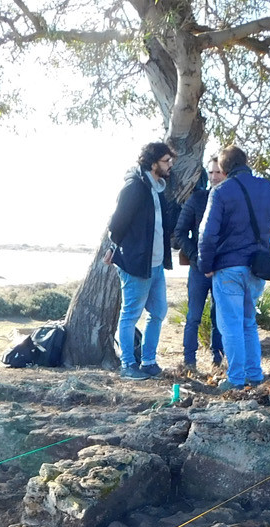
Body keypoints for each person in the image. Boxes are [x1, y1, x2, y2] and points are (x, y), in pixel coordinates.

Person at [197, 144, 270, 389]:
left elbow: (207, 235)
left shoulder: (221, 192)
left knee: (230, 324)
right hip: (257, 268)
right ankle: (254, 376)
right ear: (246, 162)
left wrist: (206, 265)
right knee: (248, 322)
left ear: (223, 167)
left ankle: (235, 378)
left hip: (228, 268)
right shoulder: (269, 189)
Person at [106, 141, 179, 380]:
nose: (170, 166)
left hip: (155, 264)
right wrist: (114, 247)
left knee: (158, 312)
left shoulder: (158, 188)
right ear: (153, 162)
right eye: (166, 161)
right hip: (136, 263)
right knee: (130, 314)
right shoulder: (135, 187)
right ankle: (128, 364)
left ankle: (148, 362)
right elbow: (116, 224)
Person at [172, 157, 225, 375]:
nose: (214, 177)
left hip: (223, 268)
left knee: (219, 316)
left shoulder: (232, 200)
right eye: (211, 172)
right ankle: (189, 362)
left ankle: (218, 360)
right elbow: (180, 232)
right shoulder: (197, 199)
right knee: (193, 316)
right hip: (198, 268)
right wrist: (196, 256)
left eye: (218, 172)